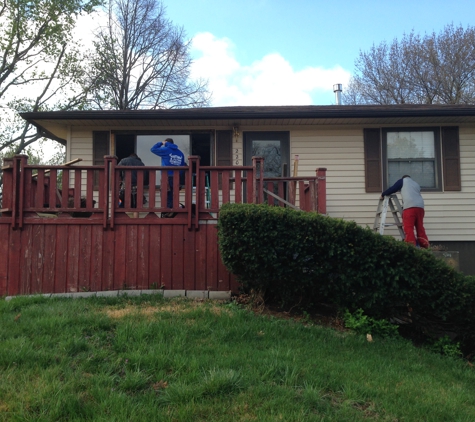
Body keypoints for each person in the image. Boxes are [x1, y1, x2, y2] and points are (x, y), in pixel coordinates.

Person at [380, 175, 429, 248]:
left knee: (408, 228)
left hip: (409, 207)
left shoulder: (402, 181)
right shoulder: (416, 184)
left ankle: (411, 247)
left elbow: (393, 189)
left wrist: (383, 194)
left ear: (403, 178)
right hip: (420, 207)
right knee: (420, 227)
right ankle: (425, 246)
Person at [151, 138, 186, 214]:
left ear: (166, 143)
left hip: (166, 177)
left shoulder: (166, 150)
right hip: (177, 178)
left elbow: (153, 149)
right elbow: (183, 167)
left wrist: (161, 143)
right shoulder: (180, 153)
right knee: (174, 195)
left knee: (165, 194)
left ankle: (167, 212)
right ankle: (173, 211)